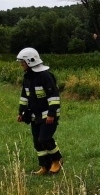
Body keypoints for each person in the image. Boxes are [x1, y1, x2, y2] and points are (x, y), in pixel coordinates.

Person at [16, 47, 64, 175]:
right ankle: (45, 166)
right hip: (34, 116)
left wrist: (52, 114)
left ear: (30, 61)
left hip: (48, 116)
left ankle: (57, 160)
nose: (21, 64)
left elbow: (53, 96)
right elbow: (24, 97)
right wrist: (21, 112)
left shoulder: (45, 76)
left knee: (44, 138)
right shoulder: (27, 77)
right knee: (37, 141)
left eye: (23, 62)